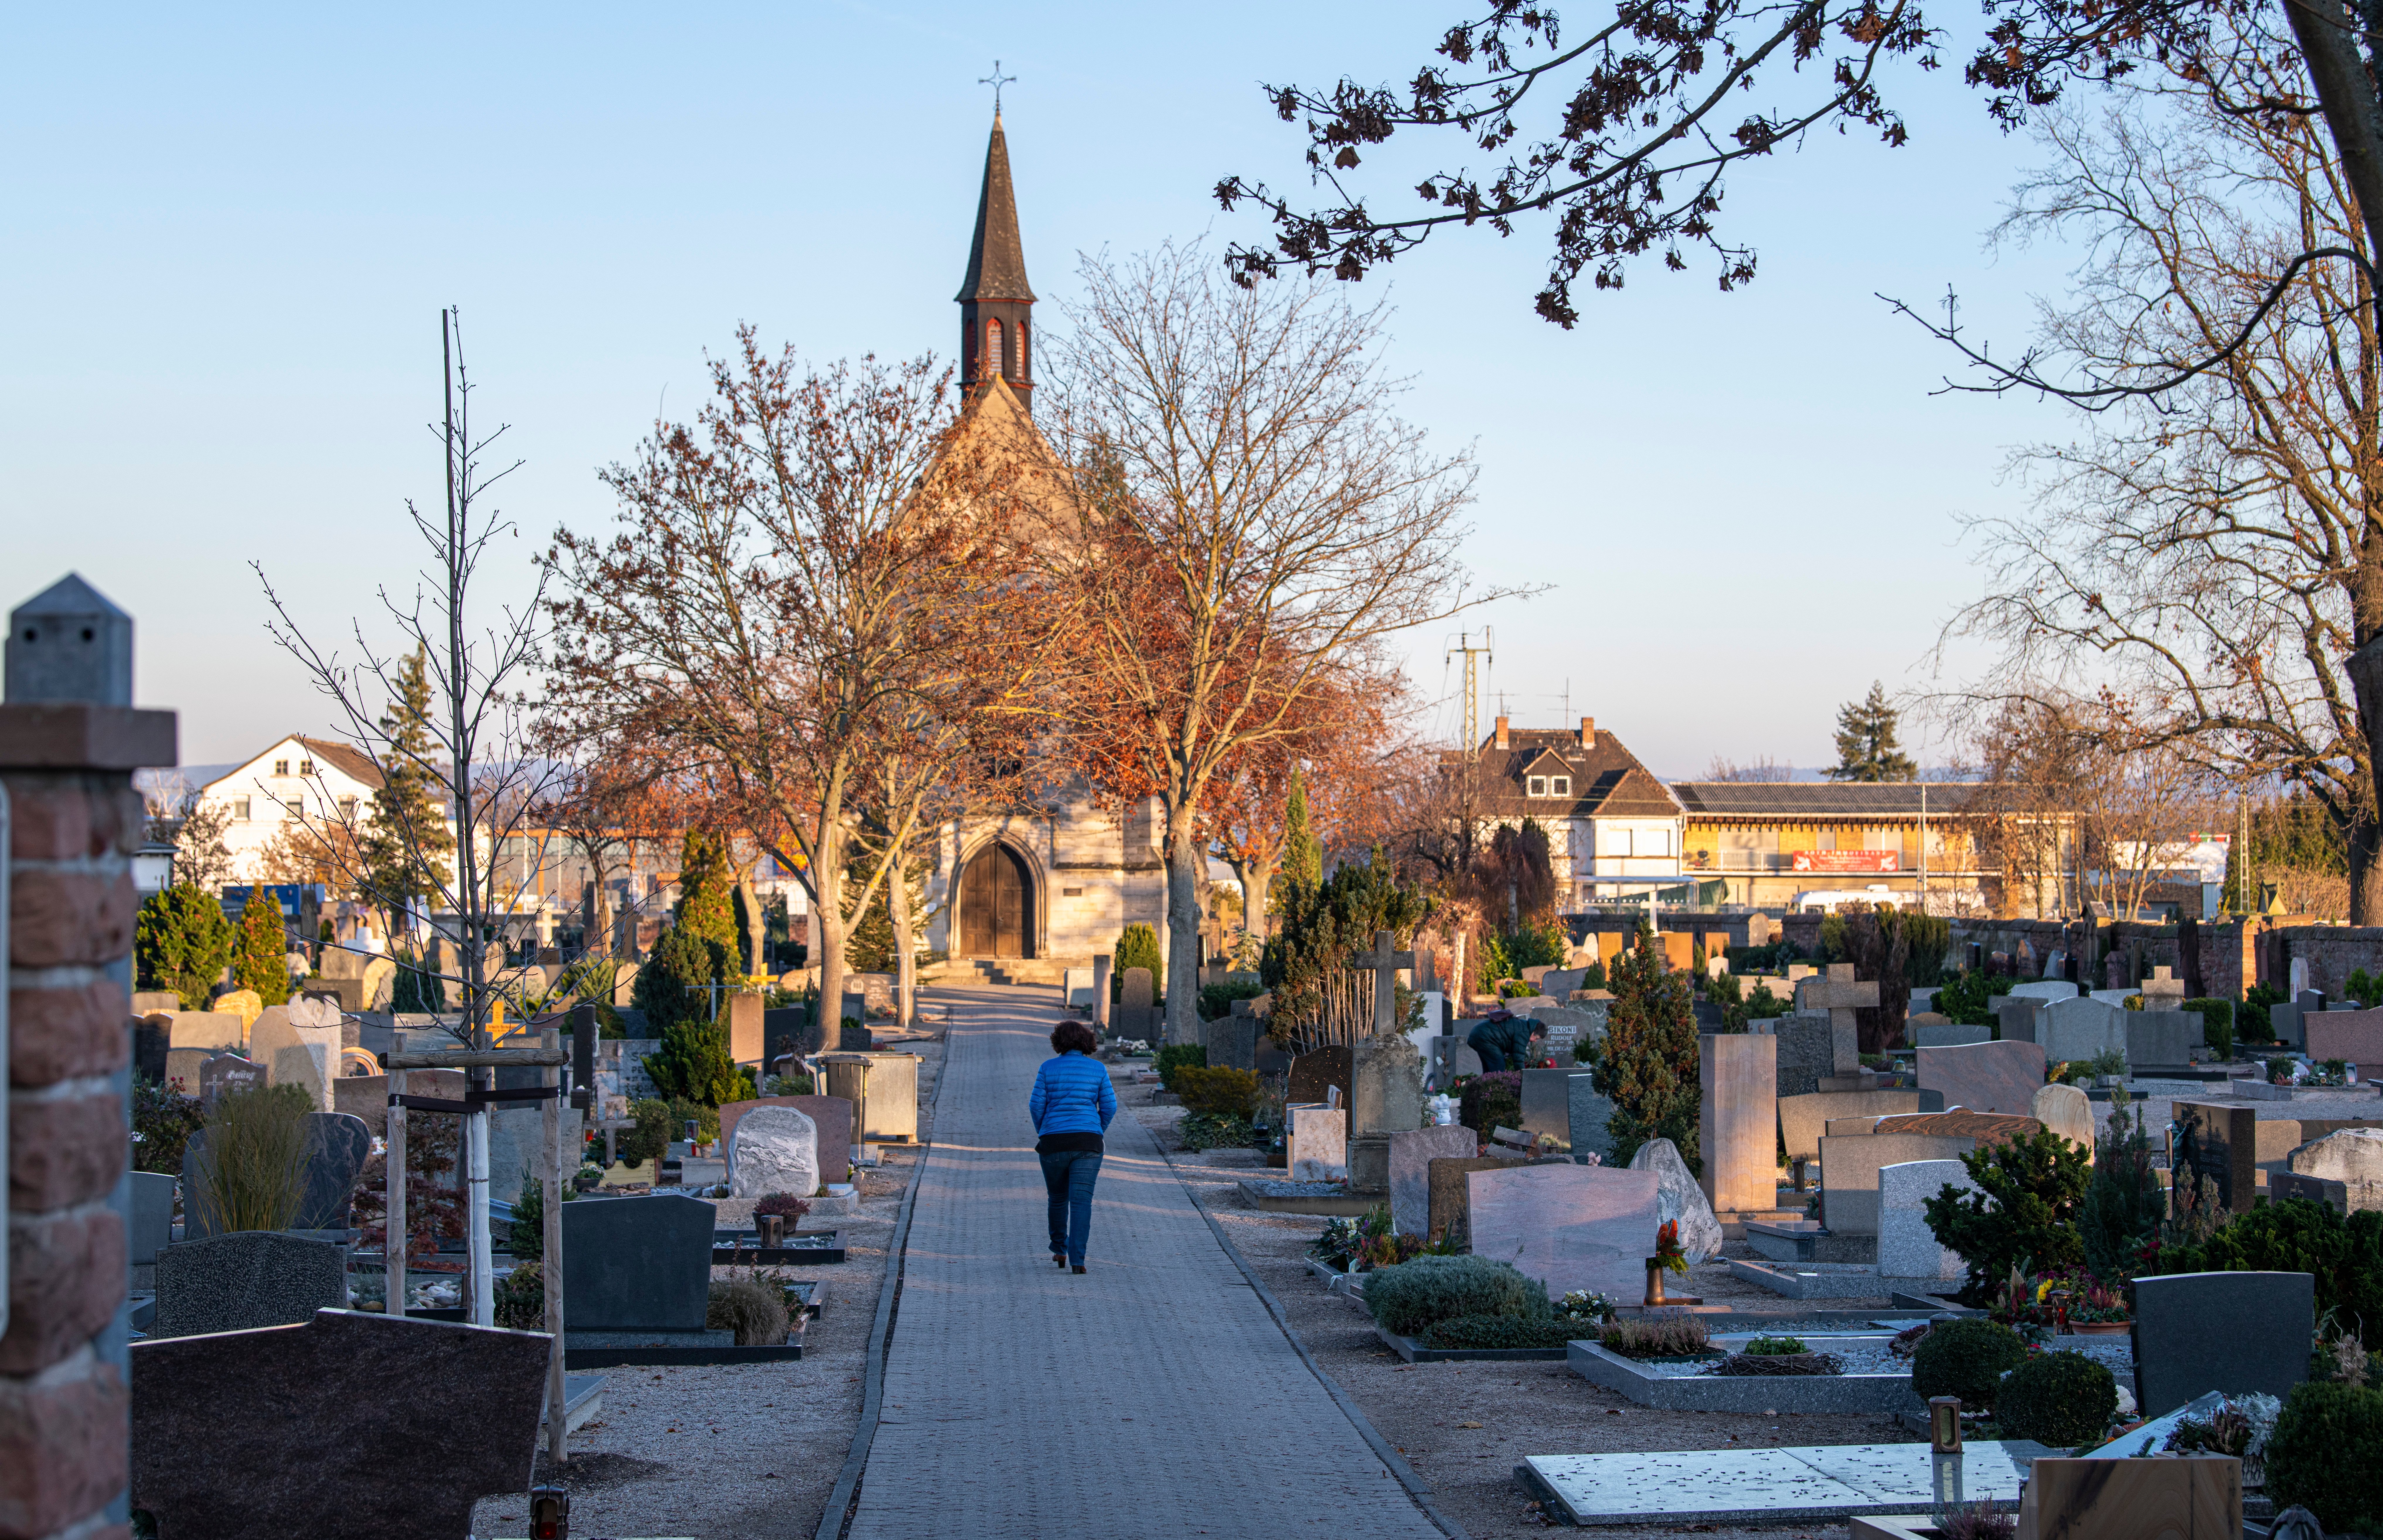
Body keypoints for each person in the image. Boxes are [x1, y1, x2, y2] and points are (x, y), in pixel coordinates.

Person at [1029, 1019, 1116, 1274]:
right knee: (1082, 1202)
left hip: (1054, 1142)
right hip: (1088, 1142)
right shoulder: (1098, 1069)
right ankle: (1079, 1261)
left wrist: (1045, 1130)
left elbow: (1036, 1106)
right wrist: (1096, 1129)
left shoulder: (1047, 1068)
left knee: (1057, 1198)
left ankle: (1060, 1249)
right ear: (1087, 1041)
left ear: (1058, 1042)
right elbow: (1110, 1107)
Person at [1466, 1004, 1546, 1073]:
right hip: (1485, 1037)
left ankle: (1487, 1085)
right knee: (1498, 1065)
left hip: (1478, 1034)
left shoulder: (1523, 1025)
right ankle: (1496, 1086)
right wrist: (1523, 1076)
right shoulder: (1525, 1033)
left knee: (1489, 1069)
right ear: (1533, 1032)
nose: (1535, 1041)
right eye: (1536, 1038)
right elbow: (1518, 1059)